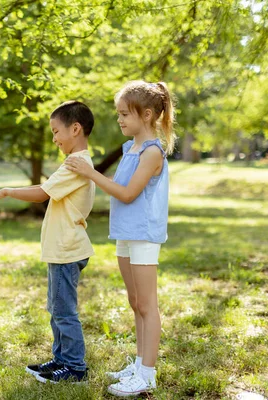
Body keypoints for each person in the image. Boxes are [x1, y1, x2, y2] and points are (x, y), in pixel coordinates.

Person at [66, 81, 175, 396]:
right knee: (135, 302)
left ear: (148, 114)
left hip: (143, 234)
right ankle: (139, 363)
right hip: (126, 233)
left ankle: (148, 374)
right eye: (119, 114)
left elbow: (127, 194)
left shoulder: (153, 152)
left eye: (125, 114)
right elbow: (120, 186)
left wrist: (92, 174)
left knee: (147, 304)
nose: (120, 120)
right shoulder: (132, 149)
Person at [0, 100, 96, 384]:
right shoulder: (76, 162)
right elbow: (45, 190)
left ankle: (74, 367)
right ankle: (61, 359)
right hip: (62, 248)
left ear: (76, 128)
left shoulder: (76, 163)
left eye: (56, 131)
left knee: (64, 311)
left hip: (67, 249)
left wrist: (7, 191)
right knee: (56, 308)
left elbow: (41, 194)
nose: (54, 138)